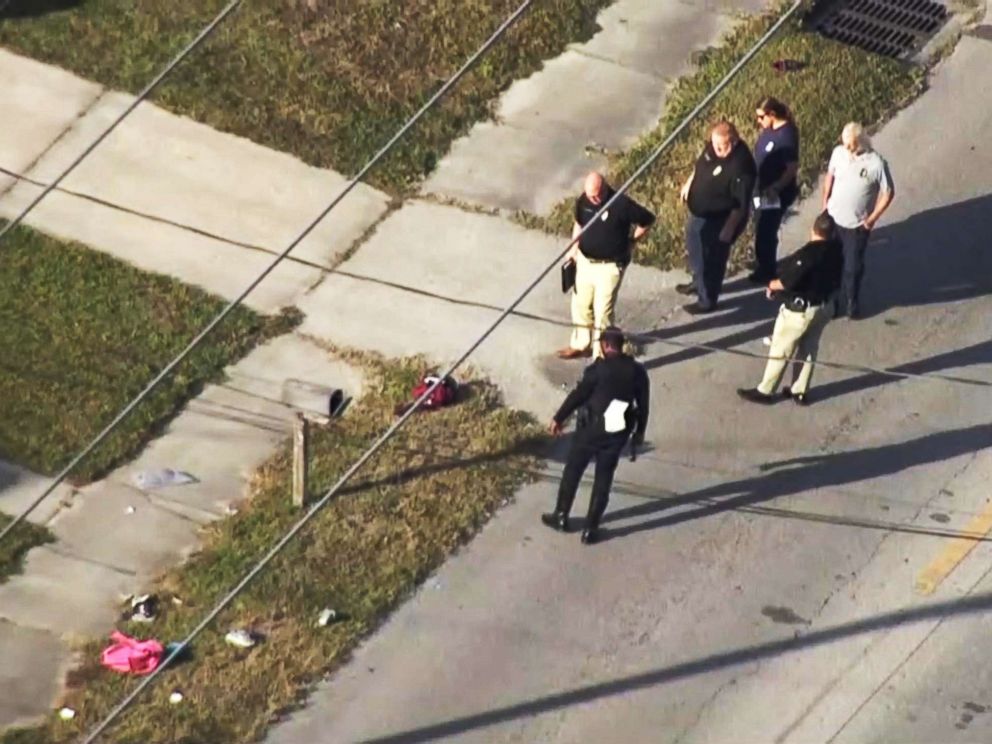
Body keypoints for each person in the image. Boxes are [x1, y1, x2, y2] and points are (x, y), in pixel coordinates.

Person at [544, 327, 649, 544]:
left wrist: (558, 418)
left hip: (590, 430)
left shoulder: (598, 370)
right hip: (617, 431)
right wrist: (639, 433)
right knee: (603, 479)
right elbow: (643, 406)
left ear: (606, 345)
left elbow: (578, 396)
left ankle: (561, 515)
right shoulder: (638, 372)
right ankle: (591, 529)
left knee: (573, 470)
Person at [737, 211, 843, 406]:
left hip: (800, 311)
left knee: (781, 349)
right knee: (809, 349)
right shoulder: (837, 250)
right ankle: (800, 390)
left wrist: (771, 286)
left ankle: (766, 390)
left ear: (814, 229)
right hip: (825, 307)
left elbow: (787, 282)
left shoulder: (808, 254)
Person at [557, 172, 655, 360]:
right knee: (580, 304)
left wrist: (632, 241)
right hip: (585, 261)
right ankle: (581, 343)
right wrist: (573, 249)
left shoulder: (621, 204)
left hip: (610, 266)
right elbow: (578, 224)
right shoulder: (583, 201)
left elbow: (647, 220)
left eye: (596, 195)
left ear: (604, 188)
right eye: (589, 195)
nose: (593, 199)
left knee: (603, 311)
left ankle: (601, 356)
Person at [677, 120, 757, 314]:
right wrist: (689, 183)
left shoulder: (741, 167)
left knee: (712, 258)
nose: (718, 150)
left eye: (723, 147)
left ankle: (707, 299)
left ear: (735, 141)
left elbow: (740, 204)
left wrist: (729, 229)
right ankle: (698, 281)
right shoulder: (714, 146)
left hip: (721, 220)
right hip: (700, 214)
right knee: (695, 248)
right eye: (715, 145)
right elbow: (701, 165)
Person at [822, 122, 895, 319]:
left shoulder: (876, 164)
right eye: (845, 144)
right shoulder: (838, 153)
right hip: (833, 219)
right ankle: (833, 300)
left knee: (852, 268)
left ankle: (852, 301)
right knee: (831, 262)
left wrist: (871, 220)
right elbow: (830, 176)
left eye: (851, 145)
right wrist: (825, 201)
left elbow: (887, 192)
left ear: (861, 142)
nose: (847, 149)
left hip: (856, 227)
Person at [749, 97, 800, 283]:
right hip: (761, 189)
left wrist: (776, 187)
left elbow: (791, 168)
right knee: (760, 224)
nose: (759, 121)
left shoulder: (786, 136)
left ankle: (767, 269)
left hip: (773, 193)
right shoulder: (770, 130)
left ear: (772, 114)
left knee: (766, 229)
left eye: (761, 117)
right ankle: (763, 261)